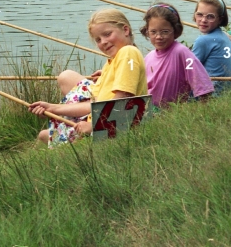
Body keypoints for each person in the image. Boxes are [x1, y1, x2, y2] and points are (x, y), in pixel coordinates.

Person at [29, 8, 148, 147]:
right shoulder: (116, 58)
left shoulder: (128, 53)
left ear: (126, 30)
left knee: (43, 135)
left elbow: (122, 100)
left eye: (107, 34)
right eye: (98, 39)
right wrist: (53, 108)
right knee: (46, 133)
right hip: (104, 119)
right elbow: (93, 104)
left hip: (112, 127)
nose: (103, 42)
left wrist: (93, 126)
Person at [141, 3, 214, 107]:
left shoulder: (181, 53)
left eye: (165, 32)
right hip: (151, 113)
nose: (159, 37)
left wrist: (202, 112)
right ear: (147, 31)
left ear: (175, 30)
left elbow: (203, 86)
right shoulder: (148, 58)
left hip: (173, 112)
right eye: (153, 32)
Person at [192, 0, 231, 94]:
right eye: (200, 14)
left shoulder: (202, 41)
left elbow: (189, 70)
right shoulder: (225, 36)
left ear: (220, 19)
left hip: (207, 96)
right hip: (223, 93)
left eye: (210, 17)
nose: (203, 20)